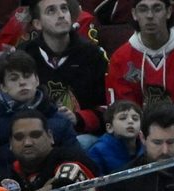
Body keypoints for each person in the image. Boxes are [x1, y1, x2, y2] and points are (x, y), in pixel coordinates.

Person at [0, 49, 80, 170]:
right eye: (14, 78)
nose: (22, 82)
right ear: (3, 87)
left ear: (37, 80)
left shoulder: (60, 120)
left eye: (27, 76)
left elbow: (79, 162)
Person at [2, 109, 101, 191]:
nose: (27, 143)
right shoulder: (8, 172)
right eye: (19, 137)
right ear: (10, 143)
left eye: (35, 135)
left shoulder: (71, 158)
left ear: (50, 137)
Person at [20, 0, 108, 139]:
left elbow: (106, 107)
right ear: (37, 23)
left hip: (82, 135)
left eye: (64, 9)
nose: (61, 15)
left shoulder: (92, 55)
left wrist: (78, 118)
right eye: (51, 11)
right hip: (35, 135)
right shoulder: (24, 55)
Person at [104, 0, 174, 115]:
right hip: (138, 128)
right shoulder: (120, 57)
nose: (150, 16)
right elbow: (122, 105)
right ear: (134, 14)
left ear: (168, 12)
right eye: (143, 9)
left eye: (157, 9)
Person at [88, 99, 144, 175]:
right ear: (110, 128)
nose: (130, 121)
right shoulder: (97, 152)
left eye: (135, 118)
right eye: (123, 118)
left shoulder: (146, 146)